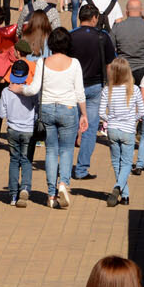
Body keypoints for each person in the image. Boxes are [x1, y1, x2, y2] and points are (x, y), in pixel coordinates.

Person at [43, 27, 90, 209]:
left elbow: (35, 89)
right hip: (68, 108)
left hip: (47, 107)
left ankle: (51, 194)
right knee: (67, 150)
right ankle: (63, 183)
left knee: (51, 151)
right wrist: (84, 114)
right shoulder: (74, 63)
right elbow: (80, 92)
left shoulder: (43, 62)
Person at [70, 5, 115, 182]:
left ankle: (65, 168)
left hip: (73, 88)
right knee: (89, 129)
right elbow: (110, 64)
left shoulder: (70, 36)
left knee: (70, 127)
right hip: (95, 87)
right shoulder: (103, 37)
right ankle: (81, 170)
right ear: (95, 18)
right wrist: (111, 87)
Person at [100, 58, 144, 207]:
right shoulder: (134, 89)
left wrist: (111, 119)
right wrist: (133, 120)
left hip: (112, 130)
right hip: (128, 130)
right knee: (126, 163)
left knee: (116, 162)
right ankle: (118, 187)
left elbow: (101, 113)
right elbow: (142, 111)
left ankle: (125, 196)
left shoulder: (107, 90)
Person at [2, 58, 44, 206]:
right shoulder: (31, 91)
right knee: (26, 160)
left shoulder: (6, 91)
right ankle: (25, 187)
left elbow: (2, 113)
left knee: (14, 160)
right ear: (27, 76)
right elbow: (38, 110)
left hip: (12, 129)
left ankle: (13, 195)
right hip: (28, 130)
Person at [114, 0, 144, 84]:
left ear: (126, 12)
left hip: (122, 68)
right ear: (141, 11)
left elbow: (111, 50)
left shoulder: (117, 28)